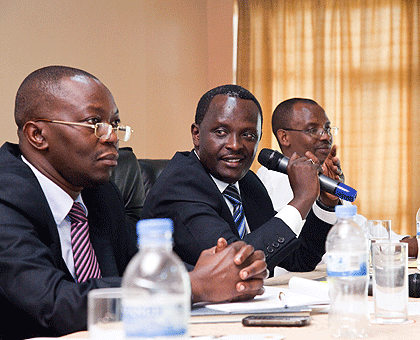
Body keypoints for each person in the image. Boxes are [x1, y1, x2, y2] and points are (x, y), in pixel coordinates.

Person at [0, 66, 267, 340]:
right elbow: (52, 302)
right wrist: (190, 286)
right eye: (94, 123)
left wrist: (227, 273)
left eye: (114, 125)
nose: (111, 137)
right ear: (37, 135)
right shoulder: (5, 197)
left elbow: (135, 266)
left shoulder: (100, 192)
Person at [141, 84, 336, 275]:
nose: (235, 145)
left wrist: (325, 204)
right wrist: (301, 200)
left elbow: (299, 260)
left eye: (248, 135)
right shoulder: (180, 185)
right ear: (197, 134)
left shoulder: (247, 182)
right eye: (221, 132)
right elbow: (233, 267)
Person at [257, 97, 417, 258]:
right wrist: (396, 247)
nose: (326, 137)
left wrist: (402, 241)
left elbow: (354, 224)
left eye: (327, 129)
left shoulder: (322, 176)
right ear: (285, 137)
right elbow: (319, 248)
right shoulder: (275, 179)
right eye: (313, 130)